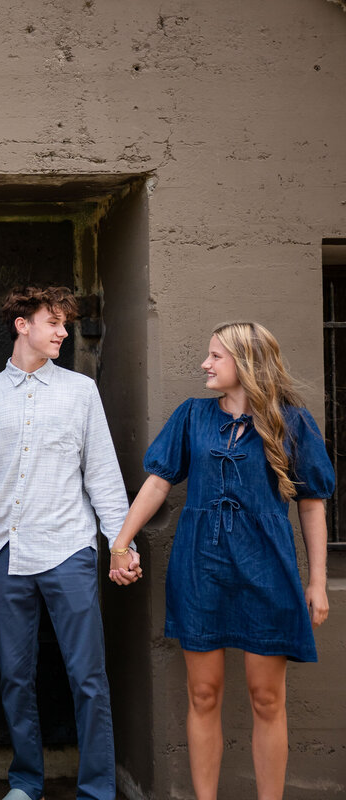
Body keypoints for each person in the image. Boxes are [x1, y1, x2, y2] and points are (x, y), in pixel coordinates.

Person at [107, 322, 333, 800]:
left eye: (216, 356)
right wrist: (121, 542)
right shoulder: (192, 416)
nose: (205, 364)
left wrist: (317, 581)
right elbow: (157, 482)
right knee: (203, 694)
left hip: (268, 570)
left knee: (267, 698)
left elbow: (312, 502)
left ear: (247, 365)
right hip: (200, 568)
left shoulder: (292, 422)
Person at [0, 286, 131, 800]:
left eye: (66, 323)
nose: (63, 331)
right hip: (5, 554)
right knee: (14, 677)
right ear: (21, 324)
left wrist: (121, 544)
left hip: (70, 548)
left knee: (88, 677)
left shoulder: (80, 392)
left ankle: (96, 790)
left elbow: (103, 475)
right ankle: (26, 782)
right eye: (52, 321)